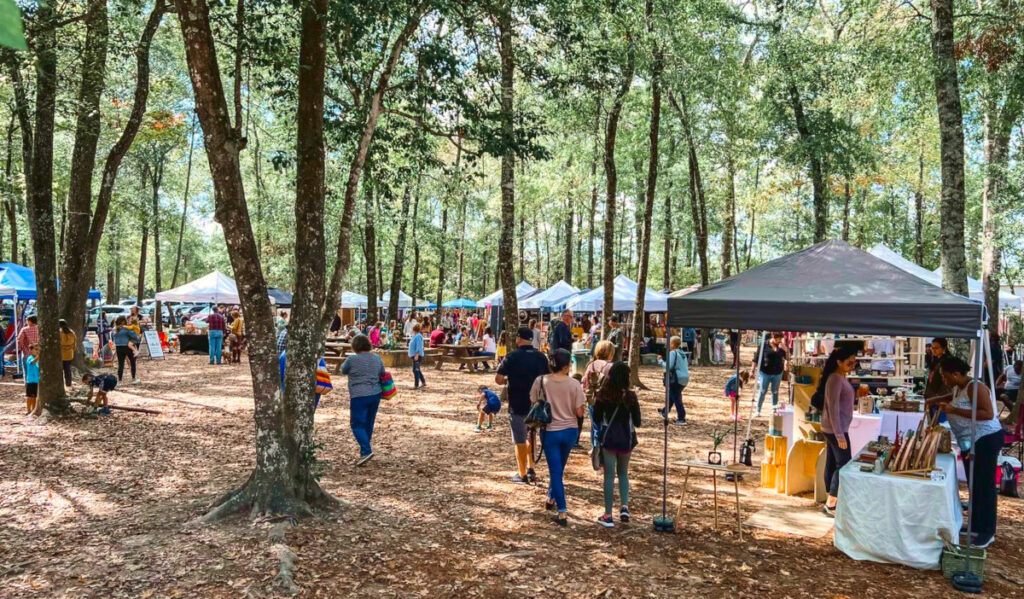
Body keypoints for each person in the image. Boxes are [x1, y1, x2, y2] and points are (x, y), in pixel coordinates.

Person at [927, 355, 1002, 548]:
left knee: (984, 486)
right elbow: (952, 398)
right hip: (970, 441)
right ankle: (976, 524)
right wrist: (936, 399)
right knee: (974, 483)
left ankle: (987, 531)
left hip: (985, 439)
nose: (944, 380)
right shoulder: (958, 387)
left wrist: (953, 411)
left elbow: (987, 414)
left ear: (957, 373)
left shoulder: (976, 387)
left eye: (945, 376)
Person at [530, 349, 585, 526]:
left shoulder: (541, 381)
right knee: (559, 468)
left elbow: (533, 403)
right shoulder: (575, 384)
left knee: (555, 471)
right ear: (567, 365)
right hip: (570, 430)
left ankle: (562, 511)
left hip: (550, 430)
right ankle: (551, 498)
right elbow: (579, 412)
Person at [496, 327, 550, 484]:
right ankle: (531, 467)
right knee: (532, 435)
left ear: (518, 339)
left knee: (519, 439)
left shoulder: (511, 357)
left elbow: (499, 379)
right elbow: (547, 377)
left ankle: (522, 473)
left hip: (517, 402)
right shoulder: (541, 357)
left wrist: (510, 380)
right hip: (536, 404)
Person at [593, 361, 641, 527]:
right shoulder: (630, 396)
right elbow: (638, 421)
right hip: (626, 438)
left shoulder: (602, 394)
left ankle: (607, 514)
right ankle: (624, 507)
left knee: (608, 475)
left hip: (609, 438)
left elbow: (597, 419)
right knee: (623, 473)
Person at [819, 346, 859, 517]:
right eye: (849, 361)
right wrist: (839, 434)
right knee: (843, 464)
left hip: (837, 428)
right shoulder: (835, 379)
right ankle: (832, 503)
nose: (853, 364)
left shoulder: (840, 377)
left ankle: (831, 498)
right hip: (836, 429)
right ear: (839, 362)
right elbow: (833, 407)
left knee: (833, 462)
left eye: (854, 361)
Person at [341, 334, 386, 466]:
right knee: (369, 422)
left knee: (357, 423)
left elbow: (343, 370)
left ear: (355, 346)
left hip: (359, 394)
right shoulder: (377, 358)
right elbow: (382, 372)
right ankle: (365, 450)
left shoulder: (351, 359)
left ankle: (366, 450)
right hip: (375, 393)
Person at [583, 340, 616, 450]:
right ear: (611, 353)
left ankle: (595, 447)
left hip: (593, 399)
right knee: (606, 424)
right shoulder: (611, 366)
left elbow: (584, 382)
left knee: (595, 424)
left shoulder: (591, 365)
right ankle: (603, 448)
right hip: (607, 400)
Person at [753, 332, 788, 416]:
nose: (779, 341)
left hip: (777, 372)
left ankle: (774, 409)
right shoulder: (764, 344)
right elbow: (756, 358)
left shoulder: (781, 346)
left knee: (775, 391)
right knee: (762, 391)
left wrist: (786, 350)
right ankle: (758, 410)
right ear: (773, 337)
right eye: (777, 339)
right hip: (765, 372)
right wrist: (752, 370)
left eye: (780, 339)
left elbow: (787, 358)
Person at [661, 336, 690, 425]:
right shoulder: (682, 353)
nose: (668, 345)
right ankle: (664, 411)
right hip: (684, 377)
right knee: (673, 394)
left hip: (676, 378)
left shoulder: (673, 353)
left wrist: (661, 362)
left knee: (676, 397)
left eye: (669, 343)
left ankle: (681, 418)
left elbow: (668, 366)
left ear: (673, 344)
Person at [924, 337, 951, 422]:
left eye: (936, 348)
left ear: (943, 348)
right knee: (933, 425)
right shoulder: (935, 360)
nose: (933, 350)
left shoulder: (946, 361)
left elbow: (946, 384)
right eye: (932, 347)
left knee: (939, 426)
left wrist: (938, 398)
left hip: (939, 400)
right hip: (933, 398)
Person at [112, 316, 141, 383]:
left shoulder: (114, 329)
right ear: (123, 321)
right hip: (127, 347)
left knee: (121, 364)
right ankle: (133, 379)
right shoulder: (126, 329)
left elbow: (113, 338)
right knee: (132, 362)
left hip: (118, 347)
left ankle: (120, 380)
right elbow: (135, 337)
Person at [59, 319, 77, 388]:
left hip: (61, 354)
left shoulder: (59, 332)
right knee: (67, 369)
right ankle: (68, 383)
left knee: (61, 369)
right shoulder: (72, 332)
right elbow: (75, 344)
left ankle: (62, 384)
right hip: (70, 354)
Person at [408, 323, 426, 389]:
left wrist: (417, 354)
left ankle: (416, 385)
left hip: (417, 355)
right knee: (417, 369)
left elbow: (419, 346)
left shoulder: (418, 336)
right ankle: (423, 382)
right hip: (414, 355)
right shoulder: (415, 336)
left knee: (416, 370)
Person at [24, 343, 39, 414]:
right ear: (31, 350)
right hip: (30, 381)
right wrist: (39, 356)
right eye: (36, 349)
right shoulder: (30, 358)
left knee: (35, 397)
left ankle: (33, 409)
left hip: (37, 381)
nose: (37, 351)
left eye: (38, 349)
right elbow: (33, 362)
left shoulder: (38, 359)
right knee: (30, 396)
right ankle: (28, 410)